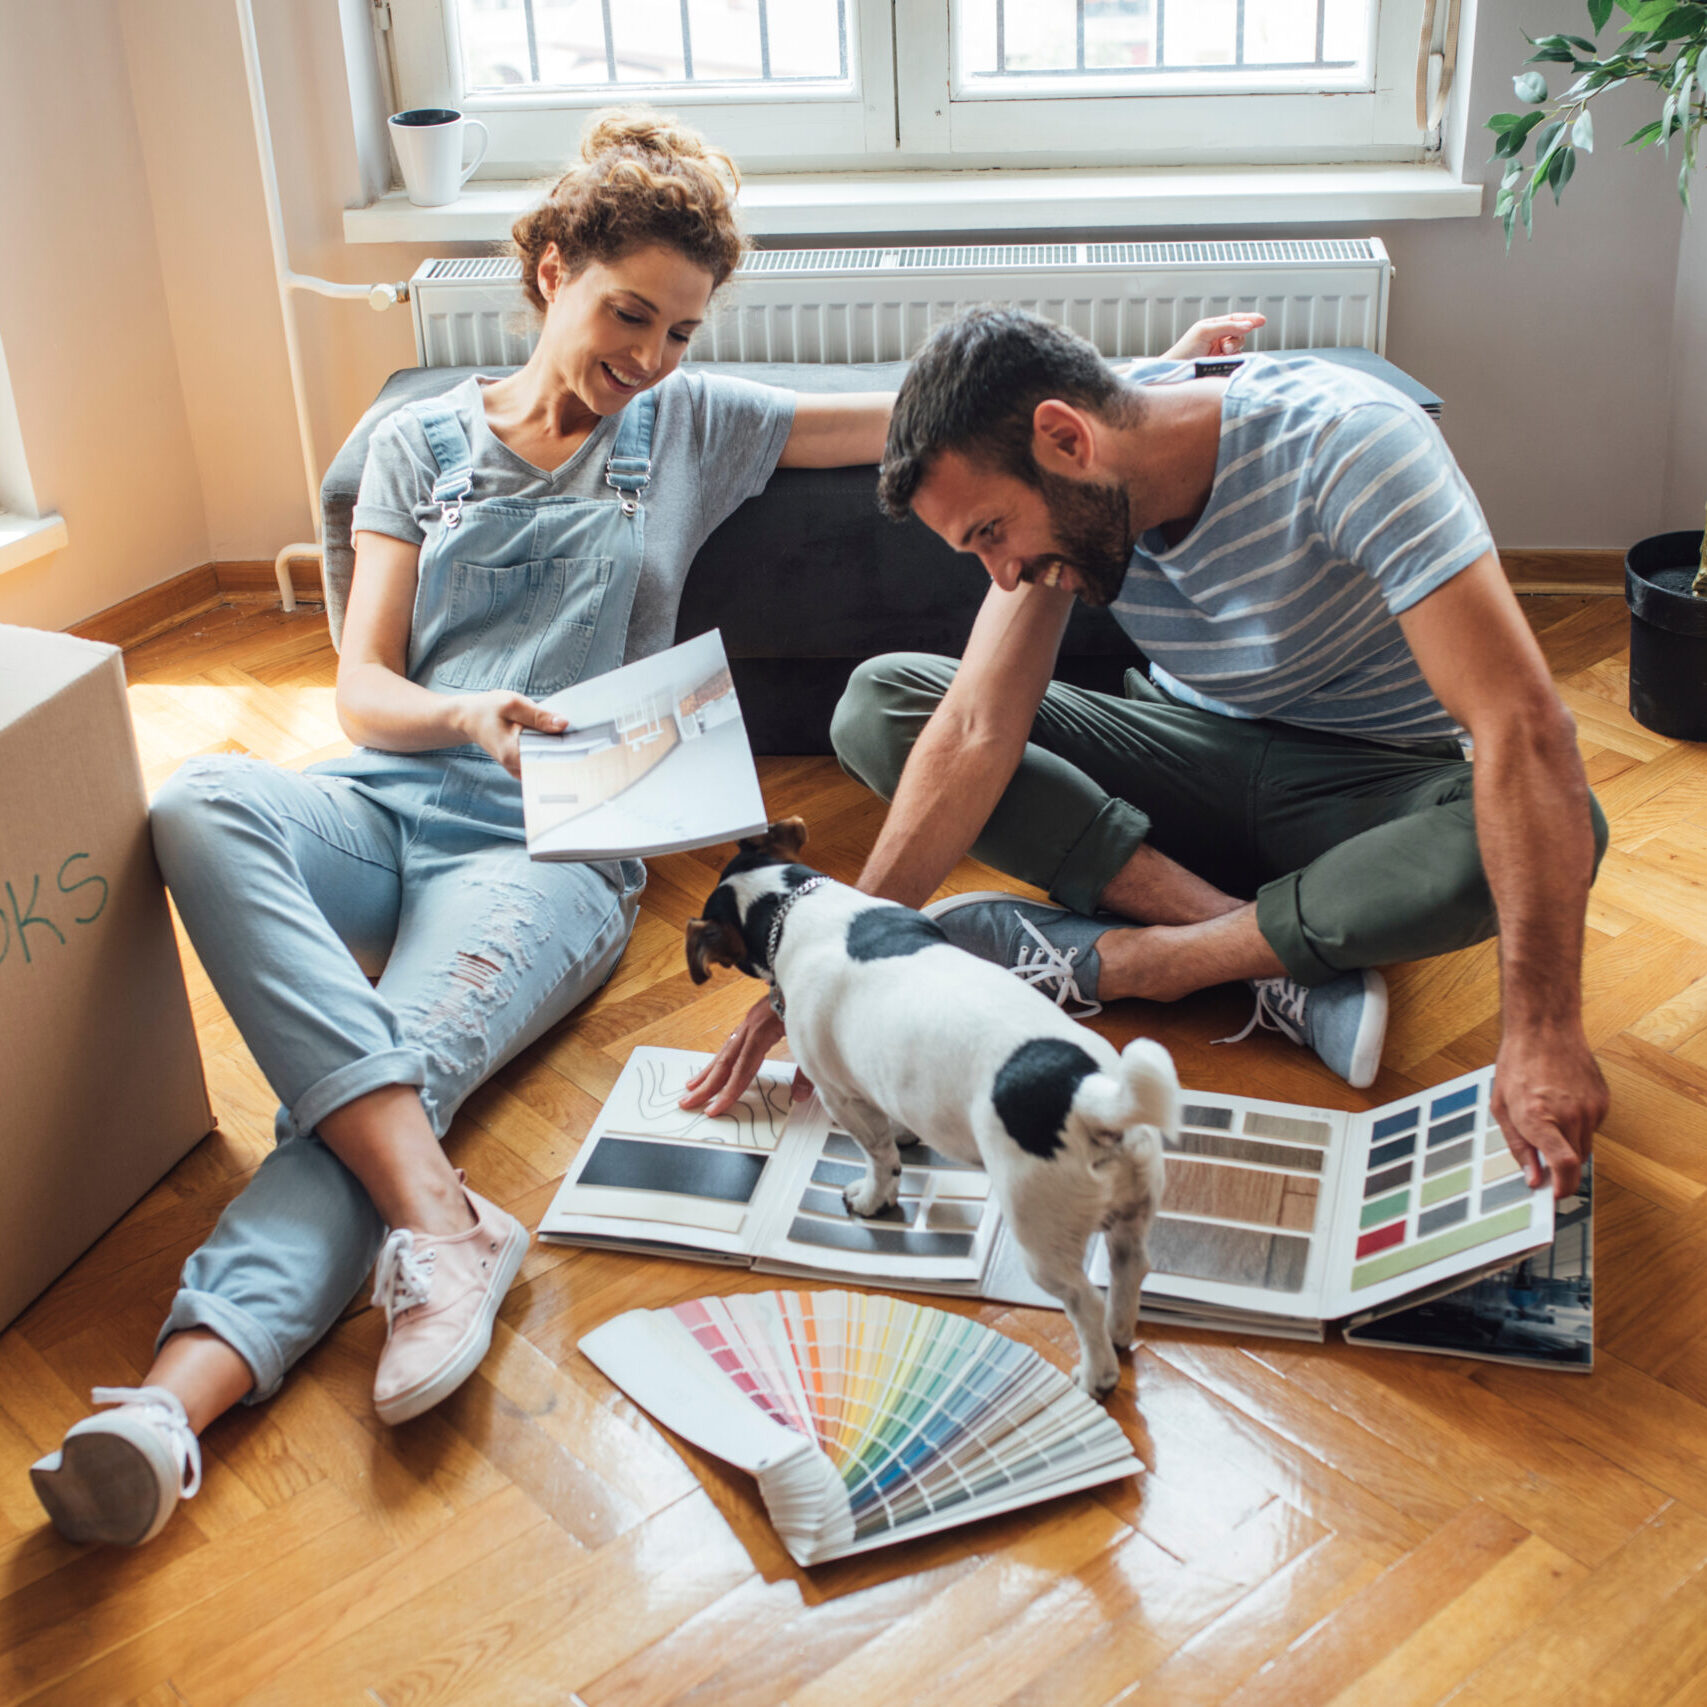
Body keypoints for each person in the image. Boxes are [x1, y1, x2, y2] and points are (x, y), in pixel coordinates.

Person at [29, 109, 893, 1549]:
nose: (650, 355)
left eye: (680, 328)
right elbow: (362, 689)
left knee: (384, 1078)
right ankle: (446, 1220)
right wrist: (468, 717)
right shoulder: (418, 442)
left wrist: (1141, 380)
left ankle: (166, 1407)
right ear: (549, 264)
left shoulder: (694, 425)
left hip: (551, 850)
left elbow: (906, 408)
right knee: (199, 796)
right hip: (386, 802)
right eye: (628, 311)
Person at [688, 307, 1607, 1206]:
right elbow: (975, 728)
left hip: (1369, 783)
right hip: (1185, 761)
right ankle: (1266, 951)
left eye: (990, 534)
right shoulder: (1073, 503)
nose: (999, 575)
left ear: (1066, 440)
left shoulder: (1349, 443)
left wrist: (1543, 1028)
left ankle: (1138, 959)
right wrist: (833, 970)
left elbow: (1522, 729)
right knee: (881, 702)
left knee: (1536, 836)